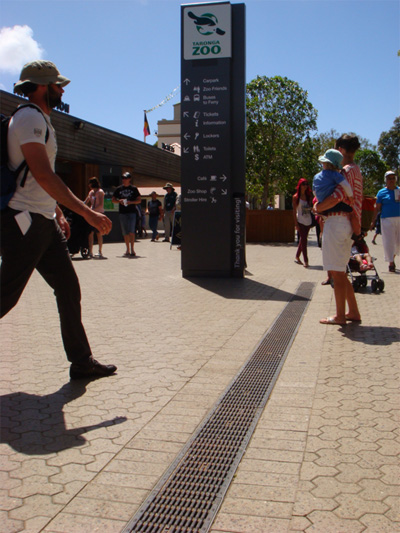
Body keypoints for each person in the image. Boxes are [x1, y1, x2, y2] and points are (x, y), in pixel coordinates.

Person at [0, 60, 117, 380]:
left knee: (68, 287)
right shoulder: (27, 118)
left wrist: (57, 212)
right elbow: (44, 174)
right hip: (24, 220)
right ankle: (81, 360)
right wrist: (87, 212)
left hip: (41, 219)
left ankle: (81, 361)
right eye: (56, 84)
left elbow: (37, 181)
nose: (62, 89)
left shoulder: (40, 120)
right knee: (6, 294)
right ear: (40, 87)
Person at [315, 134, 363, 325]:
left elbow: (337, 196)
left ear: (341, 150)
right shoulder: (356, 170)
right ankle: (353, 312)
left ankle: (340, 316)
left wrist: (318, 207)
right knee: (341, 271)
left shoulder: (345, 172)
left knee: (336, 272)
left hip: (337, 223)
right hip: (348, 225)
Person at [313, 149, 360, 237]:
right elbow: (345, 185)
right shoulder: (335, 174)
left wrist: (319, 200)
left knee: (322, 217)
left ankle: (322, 233)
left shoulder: (316, 176)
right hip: (332, 203)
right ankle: (357, 234)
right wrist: (350, 197)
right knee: (350, 210)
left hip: (321, 201)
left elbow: (314, 191)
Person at [370, 171, 400, 272]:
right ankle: (391, 262)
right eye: (389, 178)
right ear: (385, 180)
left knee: (398, 242)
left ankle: (393, 257)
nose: (391, 180)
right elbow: (377, 208)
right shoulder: (381, 192)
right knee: (389, 241)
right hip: (387, 219)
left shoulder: (399, 190)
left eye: (393, 178)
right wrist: (372, 221)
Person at [112, 172, 141, 256]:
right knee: (125, 232)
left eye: (125, 178)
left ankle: (132, 249)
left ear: (129, 179)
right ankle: (127, 249)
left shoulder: (134, 188)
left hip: (132, 212)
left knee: (132, 231)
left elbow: (139, 200)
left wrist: (131, 202)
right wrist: (119, 201)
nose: (124, 180)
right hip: (122, 213)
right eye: (123, 178)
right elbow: (113, 199)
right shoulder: (119, 189)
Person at [292, 178, 313, 267]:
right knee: (304, 241)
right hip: (300, 221)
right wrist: (296, 223)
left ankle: (297, 256)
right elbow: (294, 211)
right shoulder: (295, 197)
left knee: (303, 240)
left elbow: (312, 206)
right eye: (303, 184)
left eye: (306, 184)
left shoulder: (309, 196)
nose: (305, 186)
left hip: (308, 221)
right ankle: (306, 261)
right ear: (299, 185)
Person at [85, 177, 105, 258]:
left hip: (98, 214)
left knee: (99, 233)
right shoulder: (91, 192)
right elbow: (85, 202)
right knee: (90, 233)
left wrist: (92, 210)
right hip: (91, 215)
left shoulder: (100, 192)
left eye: (90, 183)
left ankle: (100, 251)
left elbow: (100, 204)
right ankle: (90, 251)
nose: (89, 185)